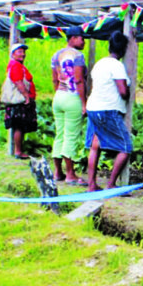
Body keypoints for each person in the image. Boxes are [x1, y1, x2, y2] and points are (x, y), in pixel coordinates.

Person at [85, 31, 132, 191]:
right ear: (124, 49)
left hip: (93, 107)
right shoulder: (117, 66)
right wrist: (128, 89)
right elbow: (123, 92)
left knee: (95, 146)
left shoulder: (100, 63)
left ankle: (91, 184)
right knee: (125, 147)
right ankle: (111, 184)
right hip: (107, 110)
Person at [50, 26, 88, 184]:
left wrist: (58, 92)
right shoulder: (78, 56)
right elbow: (78, 80)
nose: (83, 41)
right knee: (71, 136)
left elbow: (54, 79)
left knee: (60, 134)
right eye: (81, 38)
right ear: (72, 38)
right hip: (72, 97)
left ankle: (58, 172)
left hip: (59, 96)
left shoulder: (56, 55)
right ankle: (71, 174)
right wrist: (84, 103)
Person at [3, 40, 37, 159]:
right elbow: (18, 82)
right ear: (13, 54)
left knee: (20, 125)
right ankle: (18, 151)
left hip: (20, 99)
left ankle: (19, 150)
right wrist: (26, 96)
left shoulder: (17, 65)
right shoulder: (16, 65)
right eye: (20, 52)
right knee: (19, 125)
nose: (23, 54)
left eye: (23, 52)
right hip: (19, 100)